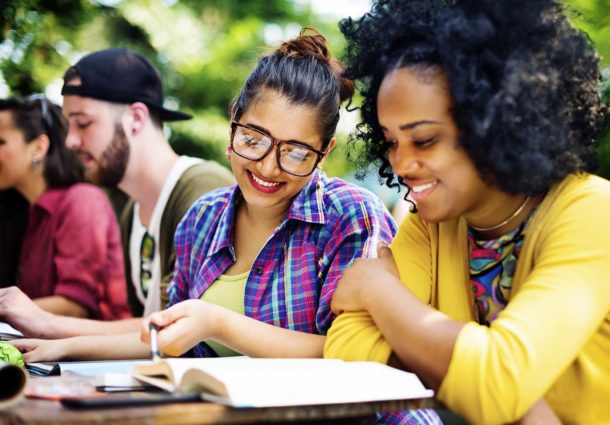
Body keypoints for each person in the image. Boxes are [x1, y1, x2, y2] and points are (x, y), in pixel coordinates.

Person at [12, 31, 396, 367]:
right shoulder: (203, 218)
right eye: (253, 140)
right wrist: (64, 348)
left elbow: (357, 356)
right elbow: (168, 338)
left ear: (325, 151)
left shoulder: (350, 215)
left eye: (296, 153)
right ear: (233, 121)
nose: (267, 167)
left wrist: (220, 324)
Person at [324, 1, 610, 425]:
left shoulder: (592, 211)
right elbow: (348, 349)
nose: (400, 164)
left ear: (495, 124)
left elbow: (496, 384)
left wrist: (375, 289)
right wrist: (489, 385)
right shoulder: (429, 227)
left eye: (422, 140)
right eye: (391, 141)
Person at [0, 49, 234, 340]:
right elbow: (146, 324)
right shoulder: (131, 214)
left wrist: (47, 326)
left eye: (83, 123)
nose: (70, 141)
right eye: (68, 125)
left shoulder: (202, 189)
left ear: (135, 118)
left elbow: (178, 329)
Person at [0, 95, 130, 320]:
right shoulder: (32, 213)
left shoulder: (82, 200)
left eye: (0, 142)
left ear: (39, 147)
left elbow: (74, 305)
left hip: (104, 353)